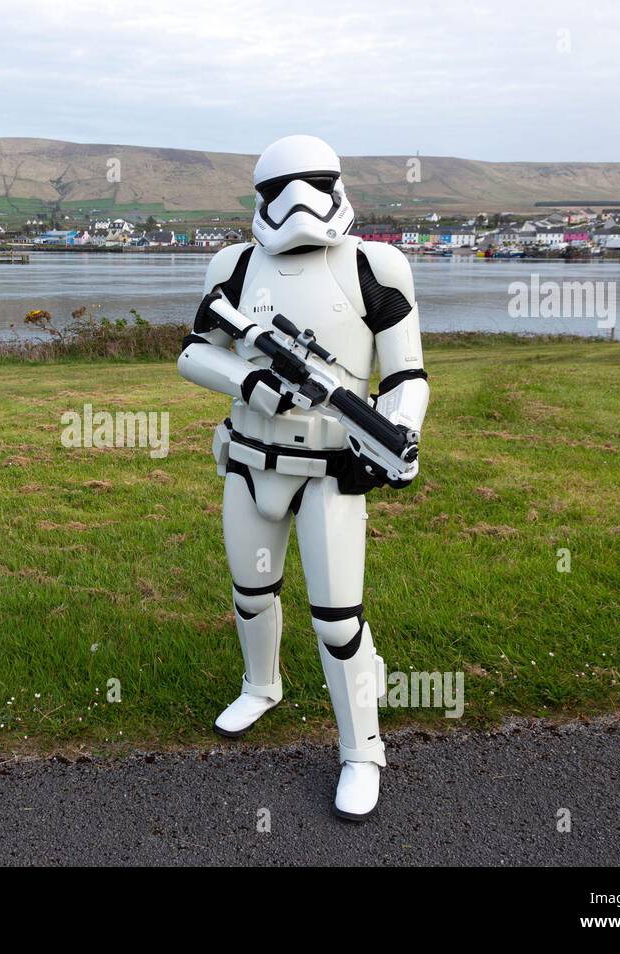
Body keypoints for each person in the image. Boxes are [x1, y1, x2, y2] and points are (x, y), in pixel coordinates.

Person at [177, 135, 430, 820]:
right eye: (281, 188)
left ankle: (361, 749)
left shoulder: (374, 266)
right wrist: (253, 379)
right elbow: (196, 351)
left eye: (312, 183)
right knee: (251, 594)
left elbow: (406, 373)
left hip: (331, 469)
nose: (298, 204)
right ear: (259, 198)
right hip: (251, 458)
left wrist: (401, 428)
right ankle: (261, 685)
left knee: (338, 620)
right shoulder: (232, 266)